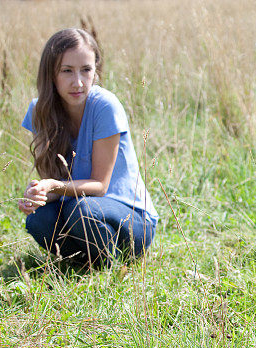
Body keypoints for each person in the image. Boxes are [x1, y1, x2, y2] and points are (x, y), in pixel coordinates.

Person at [18, 28, 158, 267]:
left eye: (86, 70)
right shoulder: (39, 111)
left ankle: (109, 264)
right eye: (67, 71)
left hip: (129, 219)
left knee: (82, 210)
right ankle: (85, 262)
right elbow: (59, 189)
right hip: (79, 212)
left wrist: (53, 185)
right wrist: (39, 196)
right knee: (38, 219)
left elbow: (100, 186)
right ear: (51, 74)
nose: (78, 82)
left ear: (96, 71)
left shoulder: (105, 107)